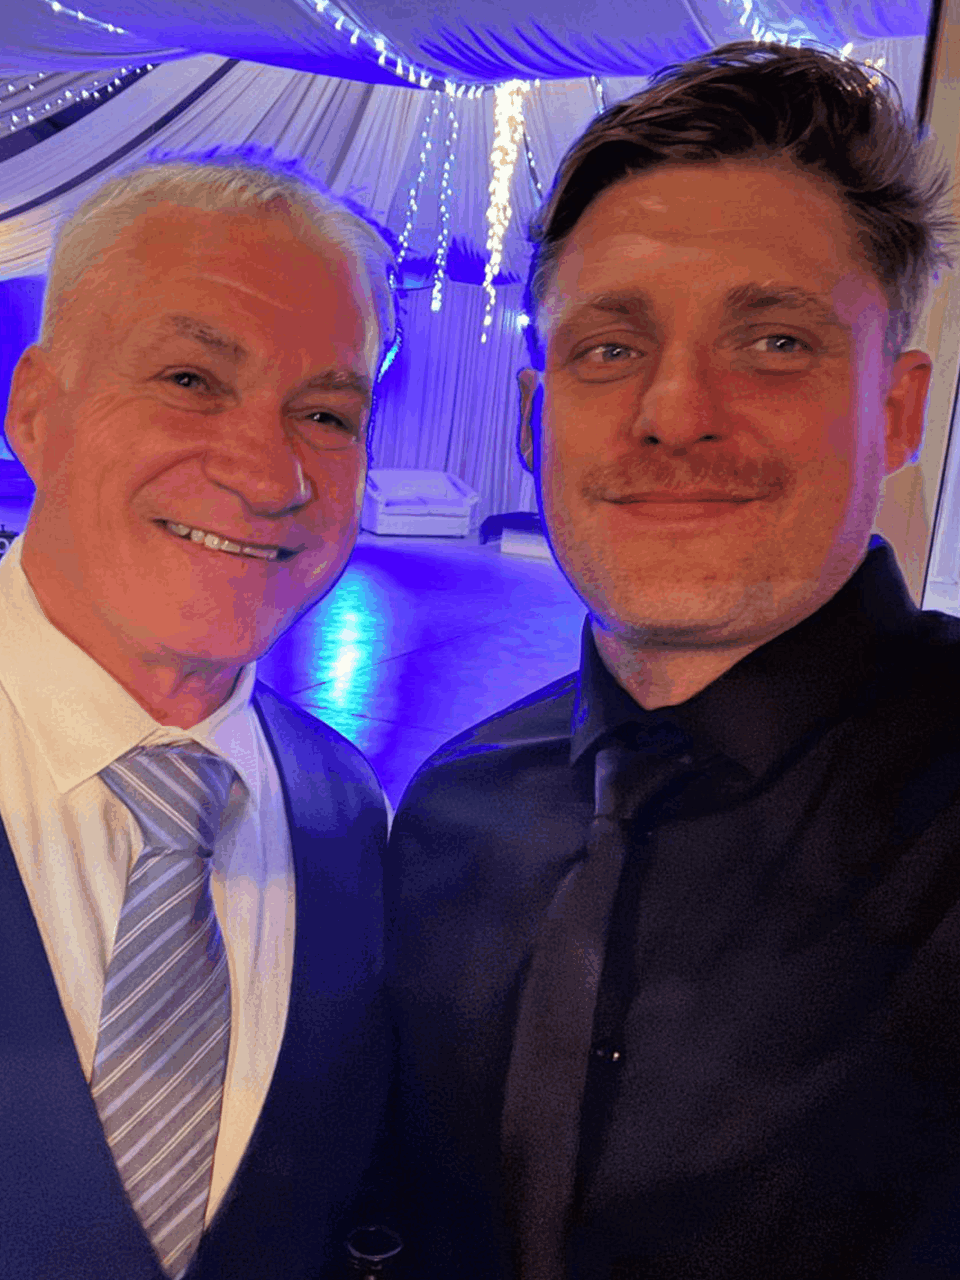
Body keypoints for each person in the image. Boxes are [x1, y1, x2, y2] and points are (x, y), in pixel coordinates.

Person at [385, 40, 960, 1280]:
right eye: (609, 348)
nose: (677, 411)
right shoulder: (446, 814)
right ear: (534, 420)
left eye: (776, 341)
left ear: (898, 409)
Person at [0, 149, 398, 1280]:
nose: (270, 474)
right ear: (37, 410)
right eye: (189, 379)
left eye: (325, 412)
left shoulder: (349, 815)